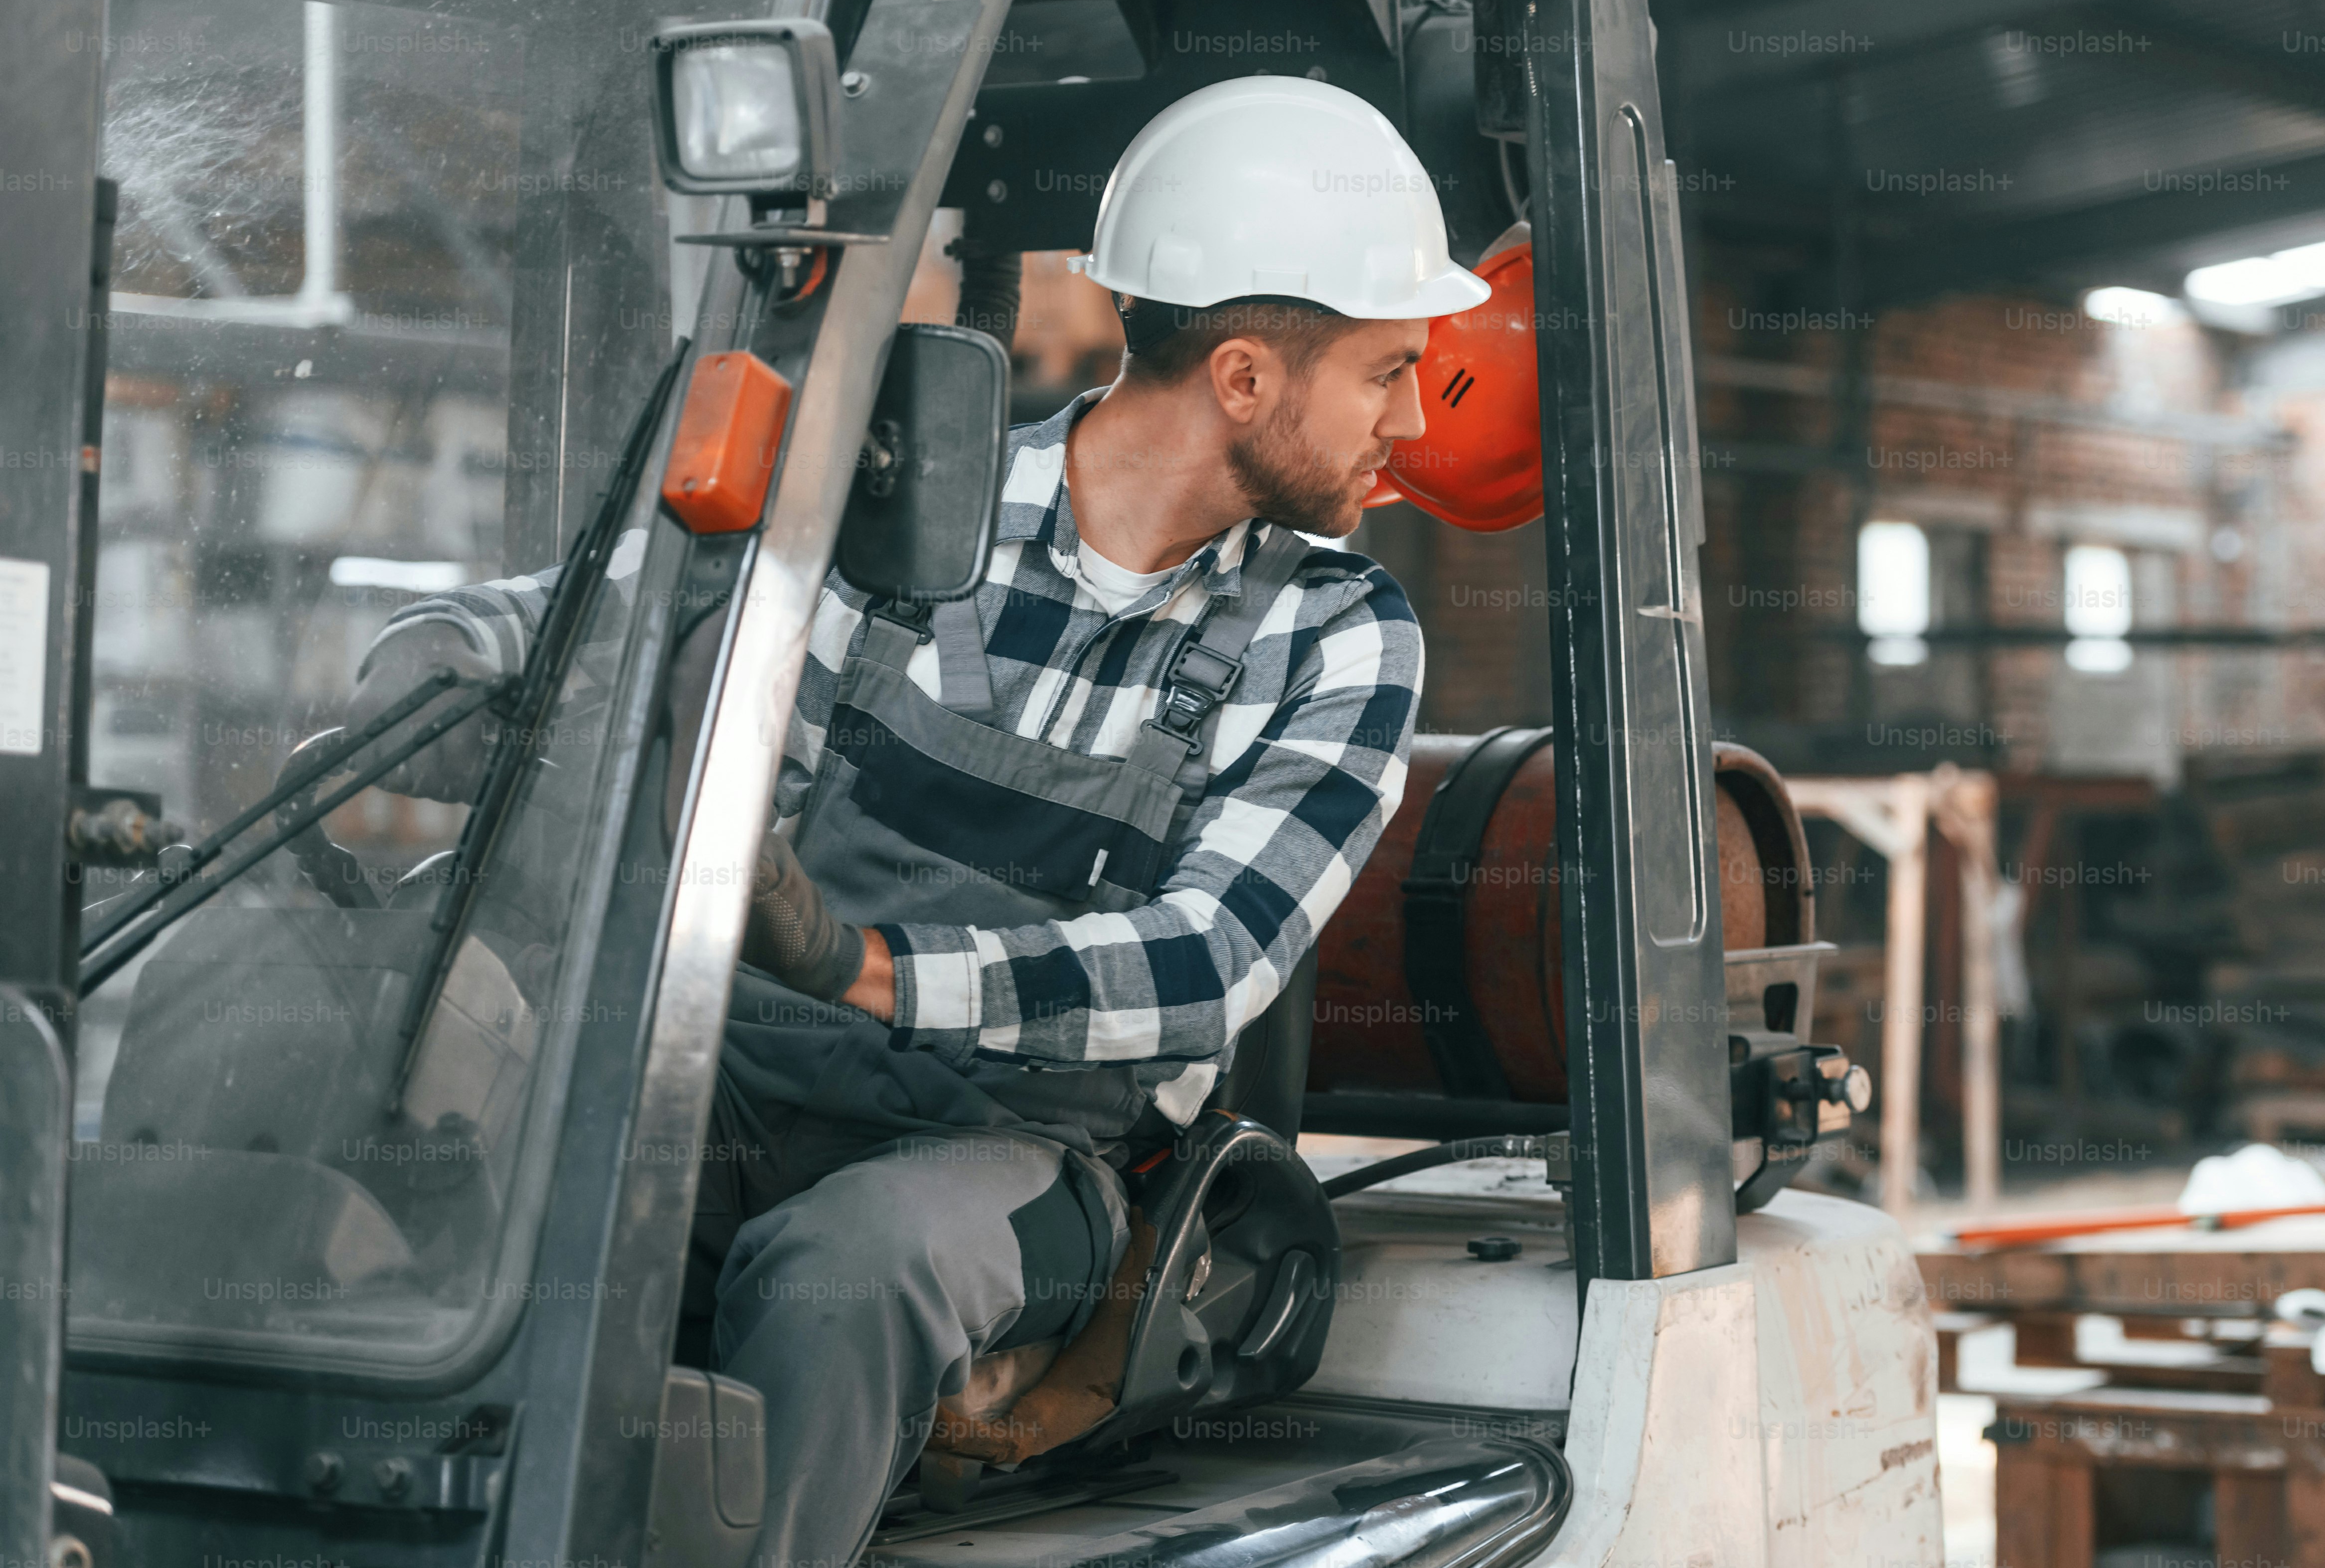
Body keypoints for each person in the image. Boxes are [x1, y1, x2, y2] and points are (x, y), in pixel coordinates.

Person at [349, 75, 1489, 1567]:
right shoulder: (904, 497)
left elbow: (1204, 964)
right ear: (1243, 377)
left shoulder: (1336, 633)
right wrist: (455, 659)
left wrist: (863, 963)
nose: (1411, 420)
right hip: (736, 1081)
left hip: (1021, 1157)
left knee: (854, 1264)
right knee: (426, 1086)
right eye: (1388, 370)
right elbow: (635, 606)